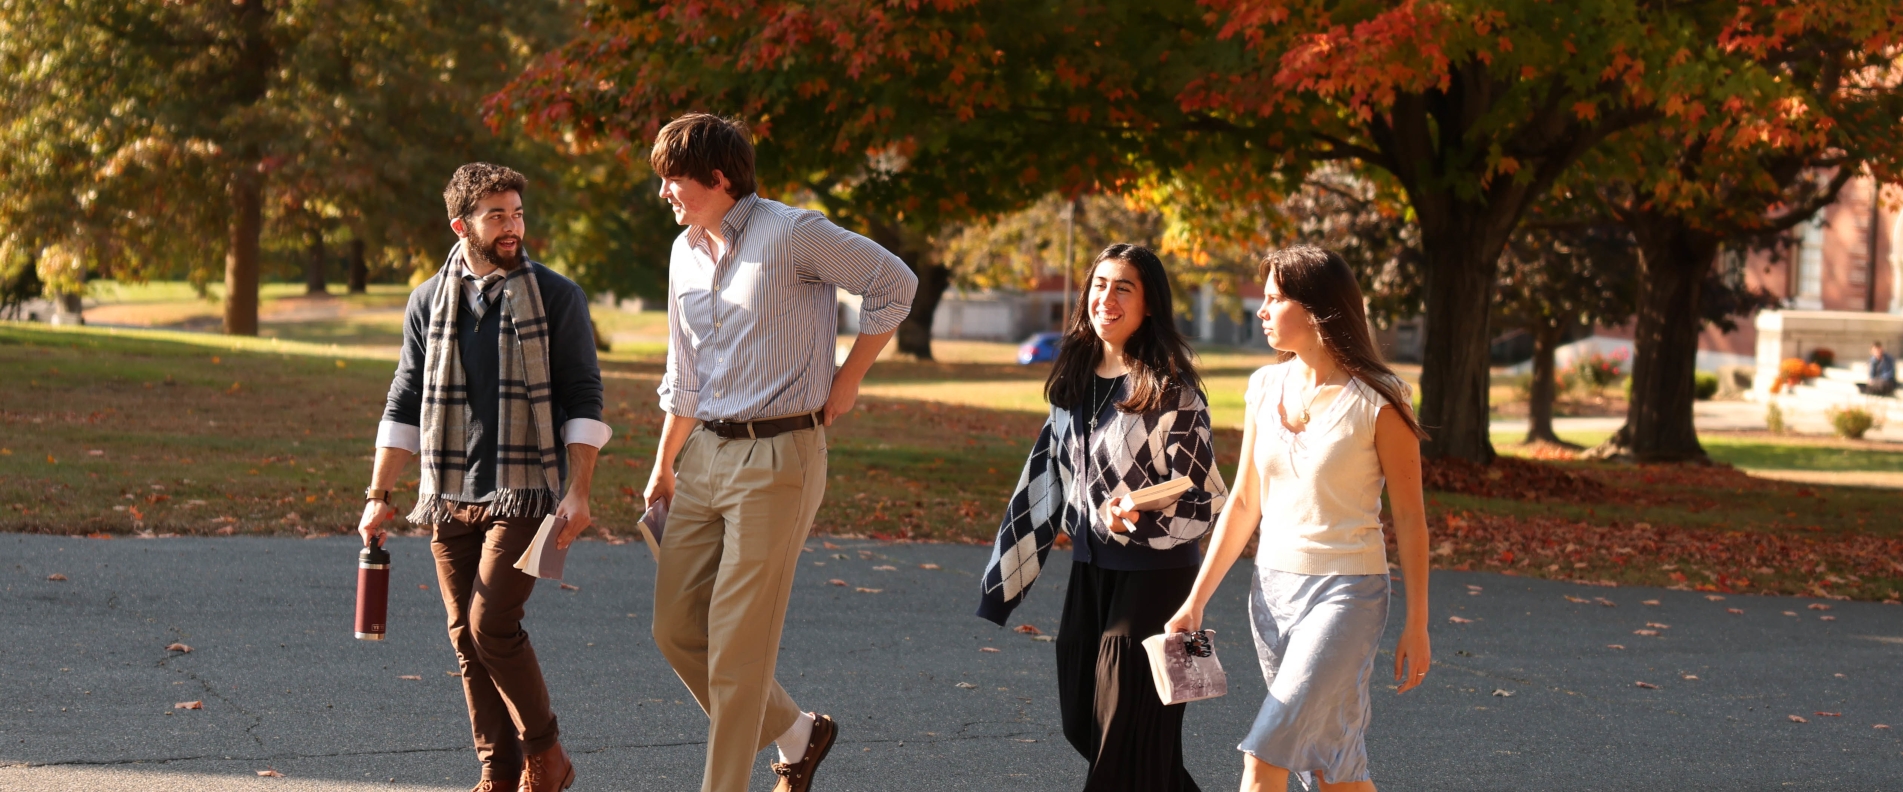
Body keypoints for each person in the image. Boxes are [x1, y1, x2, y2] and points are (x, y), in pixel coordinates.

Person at [641, 113, 917, 792]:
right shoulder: (684, 251)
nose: (664, 195)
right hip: (702, 453)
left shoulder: (793, 233)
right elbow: (685, 370)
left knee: (737, 650)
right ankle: (798, 733)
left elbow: (894, 285)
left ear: (718, 177)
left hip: (779, 457)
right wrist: (663, 463)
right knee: (675, 629)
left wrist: (846, 379)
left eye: (673, 180)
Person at [359, 163, 609, 792]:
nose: (512, 226)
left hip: (524, 488)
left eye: (517, 213)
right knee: (466, 641)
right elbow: (405, 398)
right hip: (448, 493)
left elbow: (584, 397)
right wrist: (378, 495)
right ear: (461, 224)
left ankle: (546, 757)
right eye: (496, 215)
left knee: (491, 624)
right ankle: (497, 773)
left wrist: (579, 490)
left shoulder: (556, 296)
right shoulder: (428, 300)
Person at [1165, 245, 1432, 792]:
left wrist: (1418, 622)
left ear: (1315, 308)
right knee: (1332, 770)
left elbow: (1410, 519)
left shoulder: (1380, 399)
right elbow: (1243, 503)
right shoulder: (1265, 386)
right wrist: (1195, 601)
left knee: (1265, 759)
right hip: (1271, 593)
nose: (1261, 311)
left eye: (1273, 299)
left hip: (1347, 596)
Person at [978, 244, 1228, 791]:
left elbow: (1206, 498)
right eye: (1099, 283)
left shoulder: (1173, 390)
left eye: (1124, 287)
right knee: (1088, 724)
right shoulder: (1073, 382)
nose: (1105, 298)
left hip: (1159, 579)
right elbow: (1043, 480)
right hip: (1090, 571)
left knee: (1124, 742)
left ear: (1149, 305)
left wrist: (1134, 513)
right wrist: (1003, 583)